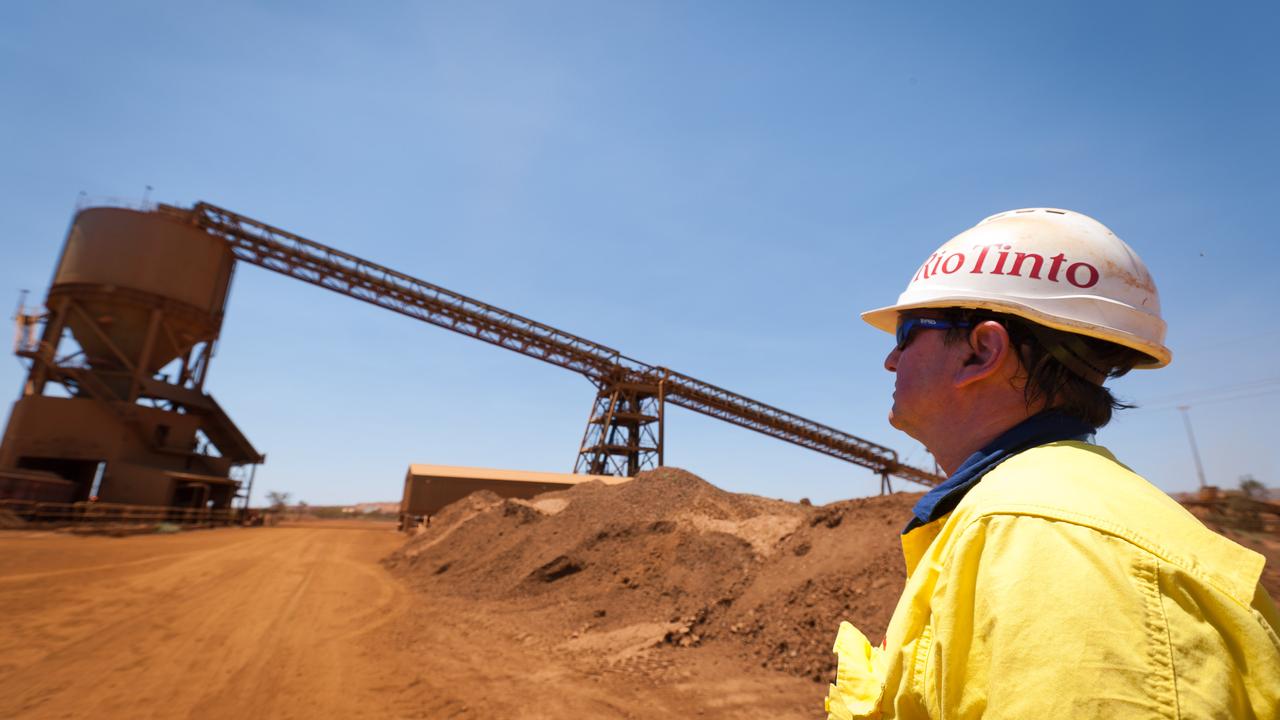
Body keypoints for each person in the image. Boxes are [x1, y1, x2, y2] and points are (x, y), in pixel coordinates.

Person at [824, 208, 1279, 719]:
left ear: (981, 351)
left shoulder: (1053, 547)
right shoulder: (1032, 523)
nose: (890, 359)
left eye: (906, 333)